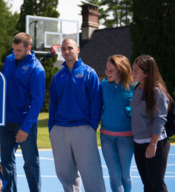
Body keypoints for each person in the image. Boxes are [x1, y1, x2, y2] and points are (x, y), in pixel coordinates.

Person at [48, 38, 105, 192]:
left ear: (78, 50)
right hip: (59, 129)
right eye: (63, 49)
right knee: (64, 173)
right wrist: (51, 128)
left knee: (91, 172)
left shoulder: (89, 73)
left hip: (83, 128)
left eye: (70, 48)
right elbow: (53, 104)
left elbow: (96, 102)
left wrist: (92, 127)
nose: (66, 51)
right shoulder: (57, 77)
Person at [0, 32, 45, 192]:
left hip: (24, 123)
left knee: (30, 163)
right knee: (5, 162)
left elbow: (37, 101)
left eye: (19, 50)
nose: (15, 53)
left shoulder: (37, 69)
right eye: (13, 49)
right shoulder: (9, 60)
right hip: (6, 122)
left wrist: (25, 128)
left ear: (28, 48)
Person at [131, 55, 171, 192]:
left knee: (156, 185)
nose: (132, 73)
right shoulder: (137, 89)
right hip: (139, 144)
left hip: (155, 144)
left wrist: (153, 144)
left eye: (136, 71)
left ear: (147, 74)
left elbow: (160, 119)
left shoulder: (156, 91)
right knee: (147, 185)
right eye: (132, 69)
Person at [100, 54, 134, 192]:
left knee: (125, 175)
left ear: (121, 71)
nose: (107, 73)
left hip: (126, 137)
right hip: (106, 136)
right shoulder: (103, 85)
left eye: (111, 70)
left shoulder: (134, 86)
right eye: (106, 69)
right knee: (114, 174)